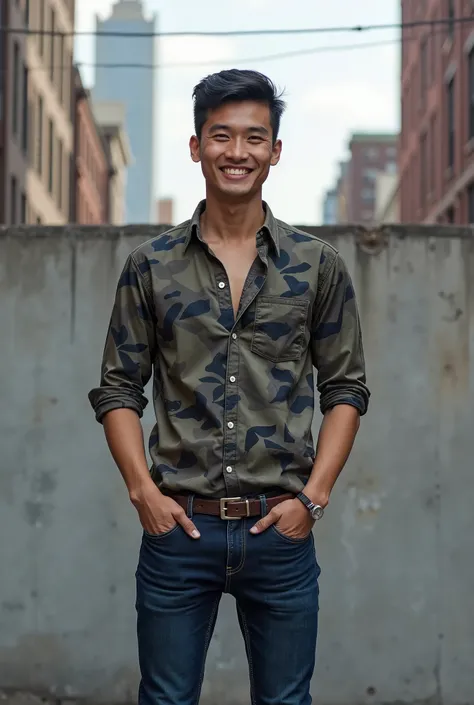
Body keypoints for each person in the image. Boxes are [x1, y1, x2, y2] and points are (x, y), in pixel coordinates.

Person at [88, 68, 370, 705]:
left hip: (281, 531)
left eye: (254, 138)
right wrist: (143, 495)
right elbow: (117, 389)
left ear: (274, 151)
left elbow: (346, 388)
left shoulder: (316, 264)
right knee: (165, 699)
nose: (236, 152)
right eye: (221, 136)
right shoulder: (150, 266)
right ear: (196, 147)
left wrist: (313, 501)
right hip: (178, 531)